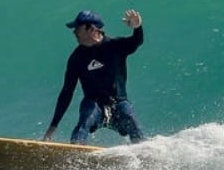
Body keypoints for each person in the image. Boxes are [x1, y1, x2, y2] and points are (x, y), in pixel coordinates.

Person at [42, 9, 146, 144]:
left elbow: (136, 41)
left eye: (77, 29)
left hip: (118, 104)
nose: (74, 33)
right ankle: (76, 151)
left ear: (91, 29)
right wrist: (52, 127)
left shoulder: (115, 46)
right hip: (94, 105)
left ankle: (143, 154)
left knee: (130, 118)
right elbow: (67, 92)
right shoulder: (76, 57)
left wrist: (137, 27)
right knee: (86, 118)